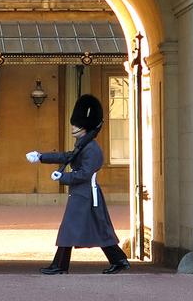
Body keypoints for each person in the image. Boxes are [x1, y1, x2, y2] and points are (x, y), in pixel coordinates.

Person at [25, 93, 131, 275]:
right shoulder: (83, 145)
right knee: (100, 229)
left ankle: (60, 265)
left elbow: (84, 173)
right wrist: (41, 156)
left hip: (86, 194)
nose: (73, 127)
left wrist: (62, 177)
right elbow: (67, 156)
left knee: (69, 228)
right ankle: (119, 260)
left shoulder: (92, 148)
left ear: (86, 127)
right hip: (82, 193)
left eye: (78, 125)